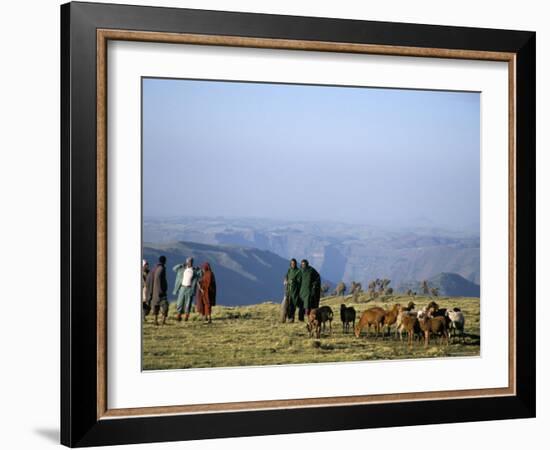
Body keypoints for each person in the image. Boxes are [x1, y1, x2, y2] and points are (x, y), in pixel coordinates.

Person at [173, 257, 202, 322]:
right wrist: (181, 265)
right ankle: (179, 315)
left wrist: (199, 269)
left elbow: (201, 275)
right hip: (182, 288)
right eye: (188, 261)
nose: (190, 263)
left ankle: (186, 316)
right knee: (180, 302)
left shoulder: (194, 271)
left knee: (188, 303)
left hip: (190, 288)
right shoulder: (182, 269)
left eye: (191, 262)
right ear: (186, 262)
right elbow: (174, 269)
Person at [146, 255, 169, 326]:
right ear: (164, 261)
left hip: (154, 292)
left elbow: (150, 279)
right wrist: (162, 289)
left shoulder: (154, 268)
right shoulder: (161, 269)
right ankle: (163, 321)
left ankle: (156, 320)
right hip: (160, 292)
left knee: (156, 306)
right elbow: (159, 279)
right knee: (165, 306)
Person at [284, 258, 301, 322]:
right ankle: (287, 317)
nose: (293, 264)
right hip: (288, 290)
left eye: (294, 263)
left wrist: (293, 281)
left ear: (296, 264)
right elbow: (286, 276)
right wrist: (285, 280)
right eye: (291, 263)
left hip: (295, 291)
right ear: (290, 264)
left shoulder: (298, 271)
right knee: (287, 305)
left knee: (292, 305)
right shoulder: (289, 270)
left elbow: (299, 281)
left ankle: (291, 318)